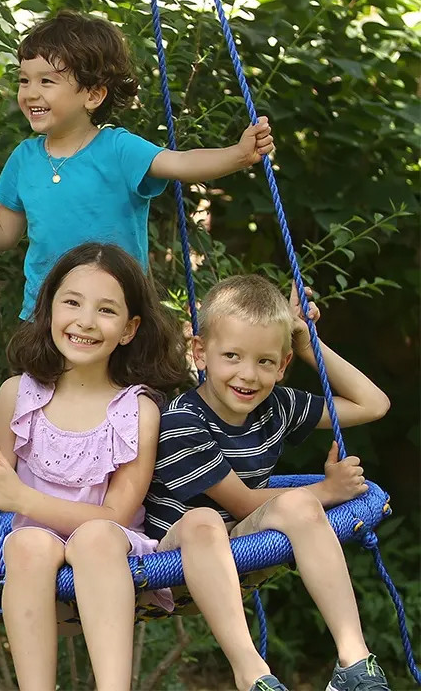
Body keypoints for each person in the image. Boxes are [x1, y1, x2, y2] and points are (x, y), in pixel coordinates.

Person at [0, 10, 274, 320]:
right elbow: (3, 231)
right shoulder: (25, 158)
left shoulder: (116, 148)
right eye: (23, 80)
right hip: (47, 314)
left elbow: (180, 163)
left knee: (117, 399)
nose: (30, 92)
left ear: (93, 95)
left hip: (116, 311)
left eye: (47, 81)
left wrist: (237, 155)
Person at [0, 243, 189, 691]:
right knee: (25, 543)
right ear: (48, 310)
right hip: (34, 570)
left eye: (106, 310)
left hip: (112, 563)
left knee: (96, 537)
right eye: (72, 302)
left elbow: (115, 516)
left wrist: (23, 498)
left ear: (129, 328)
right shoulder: (17, 395)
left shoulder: (136, 410)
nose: (84, 321)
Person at [144, 275, 392, 691]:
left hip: (235, 544)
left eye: (264, 361)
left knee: (301, 506)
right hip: (172, 555)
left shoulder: (276, 405)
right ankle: (251, 673)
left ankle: (353, 660)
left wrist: (308, 343)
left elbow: (373, 404)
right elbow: (242, 503)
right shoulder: (181, 421)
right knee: (206, 518)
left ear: (282, 366)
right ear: (201, 353)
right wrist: (327, 491)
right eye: (233, 356)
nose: (248, 375)